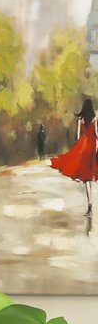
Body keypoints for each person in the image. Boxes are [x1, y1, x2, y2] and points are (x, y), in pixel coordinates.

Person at [49, 95, 98, 231]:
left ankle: (89, 203)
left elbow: (77, 137)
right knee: (90, 174)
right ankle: (90, 202)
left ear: (84, 108)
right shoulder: (94, 119)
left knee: (85, 176)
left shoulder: (80, 120)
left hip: (84, 146)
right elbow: (97, 135)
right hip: (92, 146)